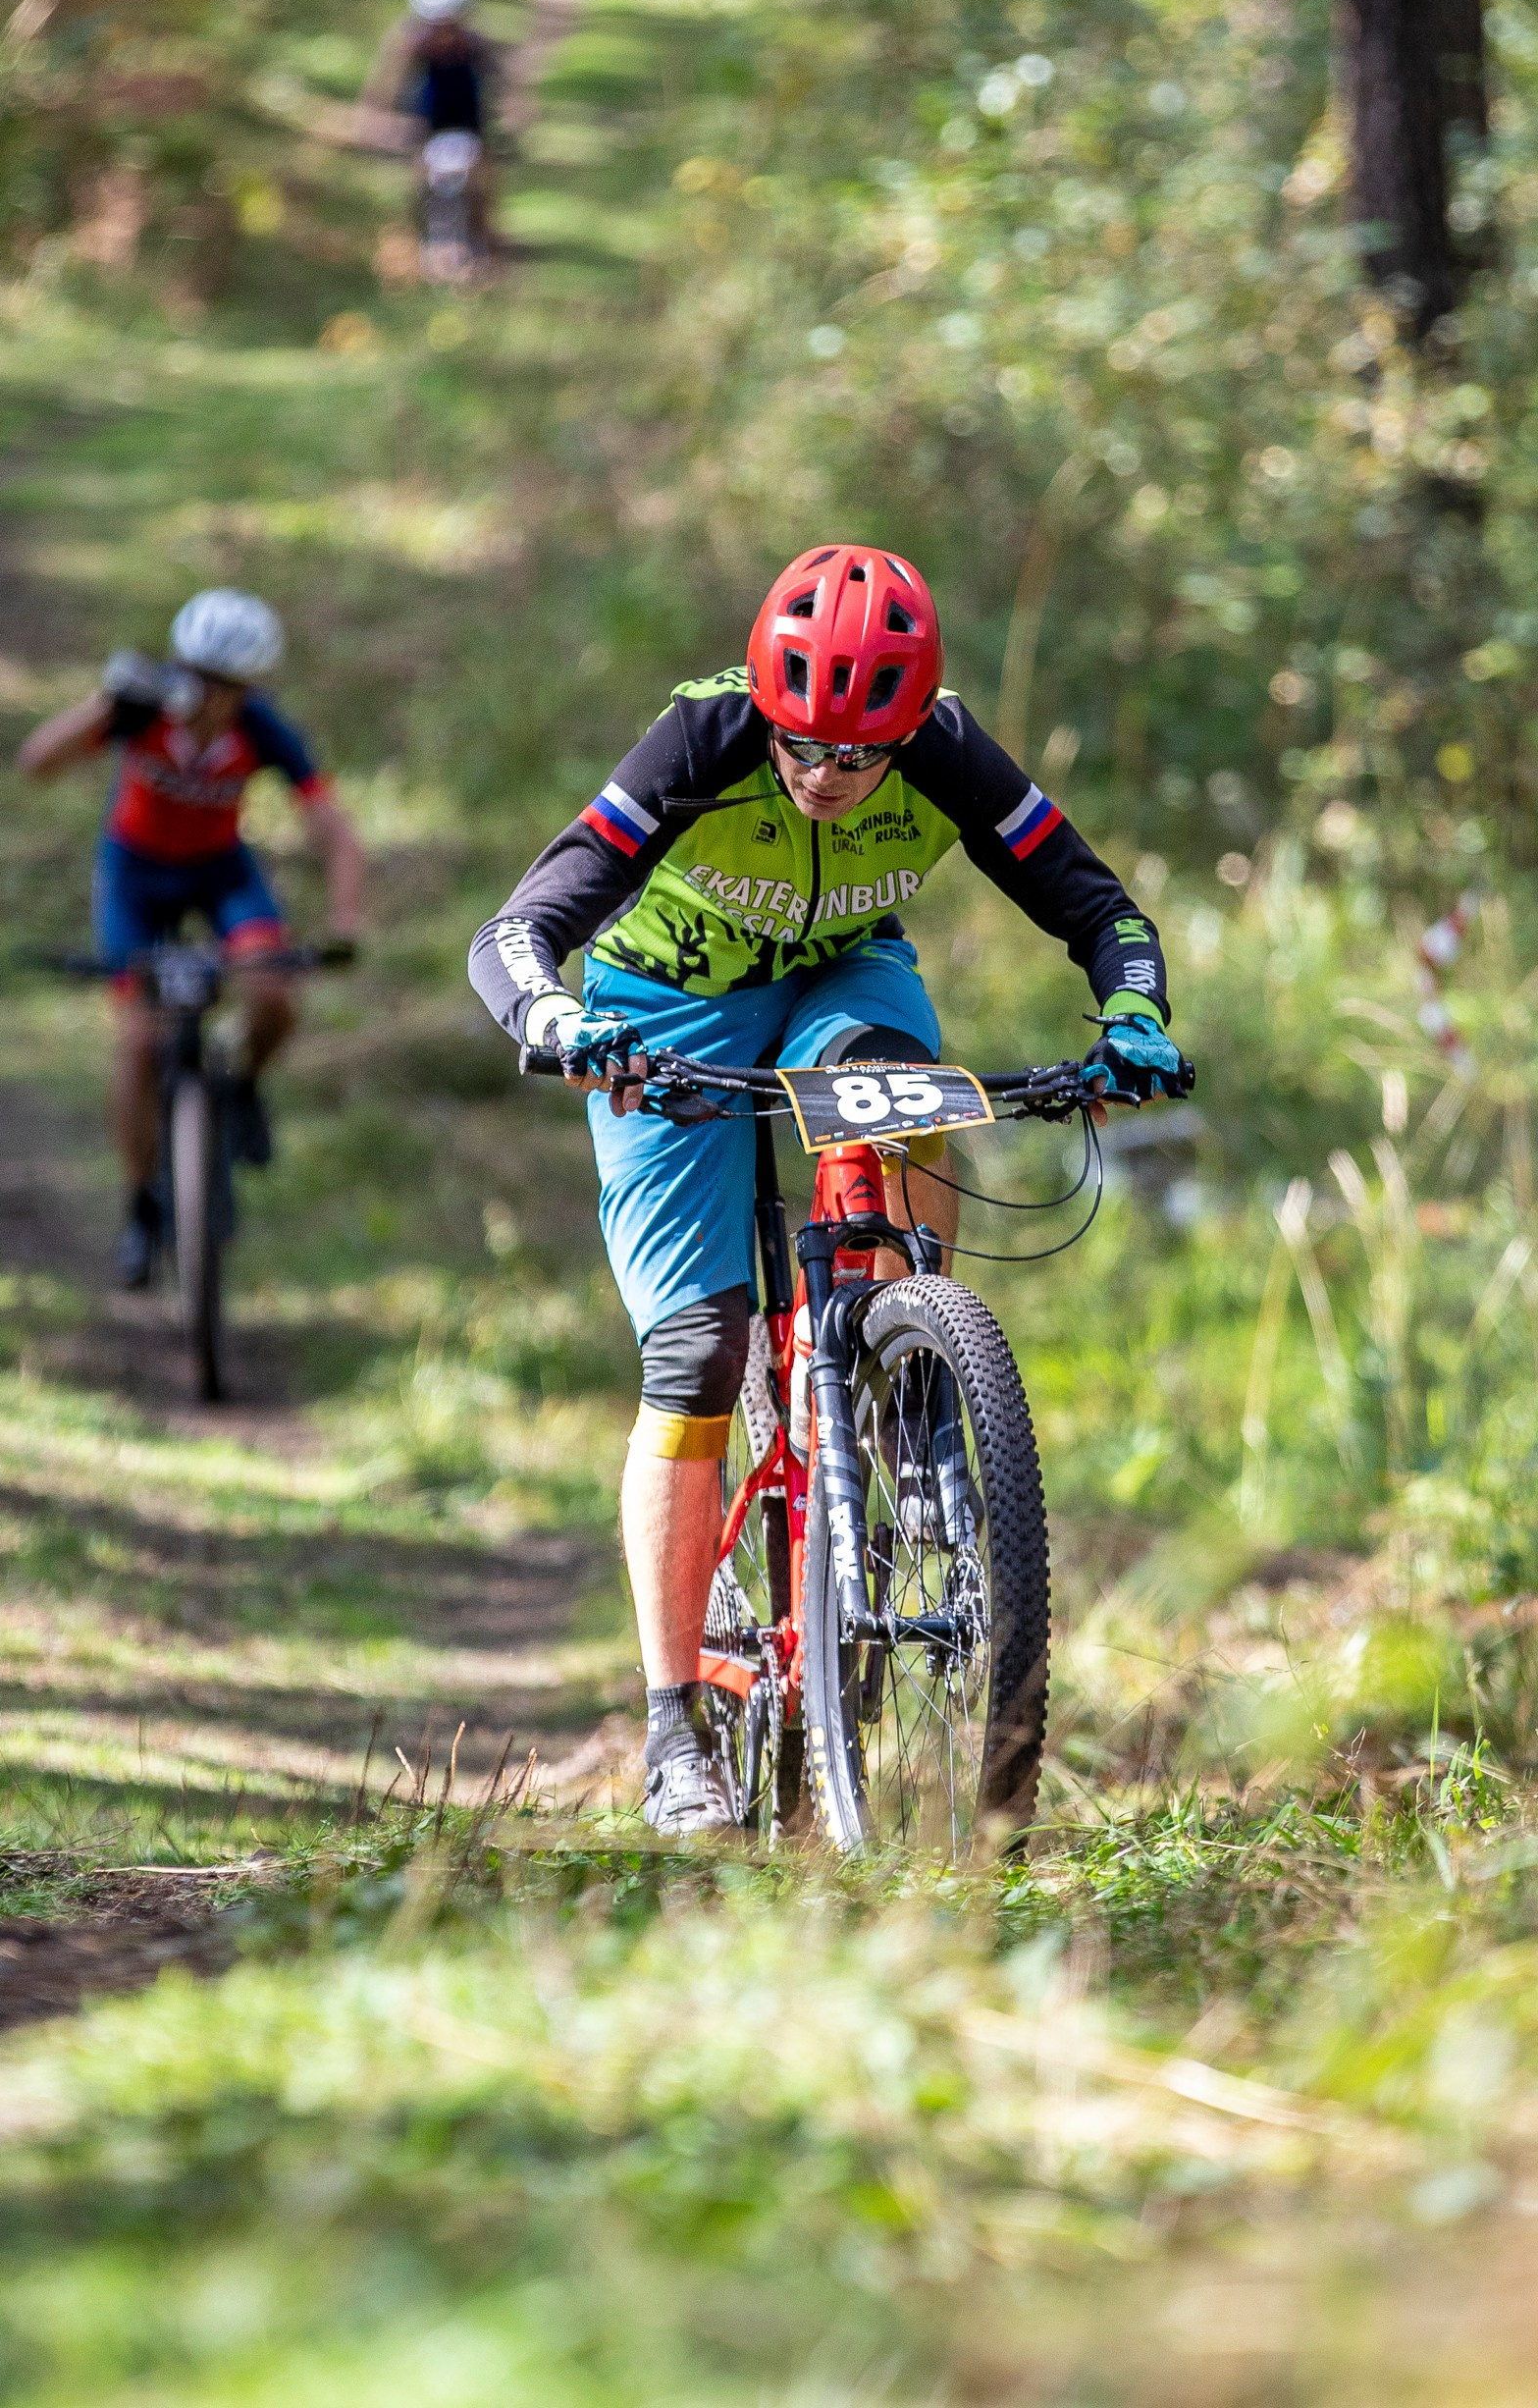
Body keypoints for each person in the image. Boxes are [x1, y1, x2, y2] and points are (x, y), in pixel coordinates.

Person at [468, 543, 1190, 1834]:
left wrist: (1133, 1016)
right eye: (800, 744)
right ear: (765, 706)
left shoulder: (950, 753)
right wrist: (556, 1019)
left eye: (860, 757)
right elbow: (520, 926)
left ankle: (912, 1384)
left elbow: (1101, 911)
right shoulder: (701, 739)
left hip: (838, 983)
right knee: (695, 1353)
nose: (823, 776)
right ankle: (672, 1722)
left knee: (900, 1089)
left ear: (908, 733)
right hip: (659, 1014)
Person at [19, 588, 366, 1290]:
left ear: (247, 689)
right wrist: (102, 705)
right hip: (135, 878)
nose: (202, 694)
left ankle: (241, 1089)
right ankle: (141, 1203)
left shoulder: (262, 729)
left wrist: (345, 919)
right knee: (139, 1041)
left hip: (220, 873)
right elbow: (36, 763)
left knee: (273, 994)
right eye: (193, 673)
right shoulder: (139, 710)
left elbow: (333, 828)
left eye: (221, 683)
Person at [356, 0, 504, 254]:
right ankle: (416, 236)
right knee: (418, 175)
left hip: (469, 116)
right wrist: (374, 116)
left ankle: (484, 236)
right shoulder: (410, 43)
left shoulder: (474, 43)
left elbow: (500, 79)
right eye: (436, 24)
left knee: (483, 174)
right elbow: (386, 82)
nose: (443, 31)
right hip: (426, 117)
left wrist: (515, 108)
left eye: (450, 23)